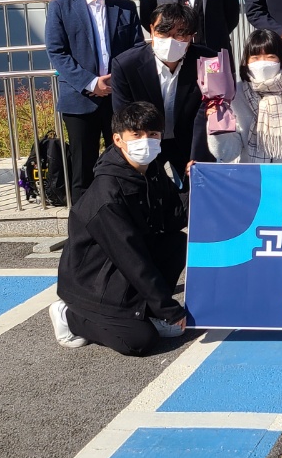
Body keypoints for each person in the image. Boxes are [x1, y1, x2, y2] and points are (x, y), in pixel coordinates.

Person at [48, 100, 188, 357]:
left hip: (120, 268)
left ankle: (149, 312)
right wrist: (169, 308)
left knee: (175, 242)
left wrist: (198, 181)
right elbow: (130, 257)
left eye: (153, 134)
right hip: (93, 280)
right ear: (118, 139)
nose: (146, 141)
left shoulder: (151, 172)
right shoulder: (107, 194)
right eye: (136, 134)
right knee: (139, 341)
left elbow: (174, 217)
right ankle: (69, 315)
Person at [45, 0, 143, 205]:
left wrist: (116, 81)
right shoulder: (60, 7)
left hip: (118, 98)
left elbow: (136, 48)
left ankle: (121, 218)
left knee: (122, 164)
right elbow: (57, 52)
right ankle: (83, 225)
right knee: (82, 169)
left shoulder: (124, 7)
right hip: (79, 101)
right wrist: (90, 82)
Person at [110, 2, 213, 189]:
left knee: (196, 191)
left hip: (189, 140)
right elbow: (124, 115)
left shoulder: (208, 61)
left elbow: (208, 109)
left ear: (191, 36)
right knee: (145, 191)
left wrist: (199, 156)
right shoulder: (126, 65)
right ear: (151, 30)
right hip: (145, 139)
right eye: (163, 32)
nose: (171, 40)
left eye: (180, 34)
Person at [190, 29, 282, 165]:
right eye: (255, 58)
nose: (262, 63)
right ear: (246, 61)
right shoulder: (235, 93)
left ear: (281, 59)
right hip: (250, 173)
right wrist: (217, 123)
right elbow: (227, 154)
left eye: (270, 57)